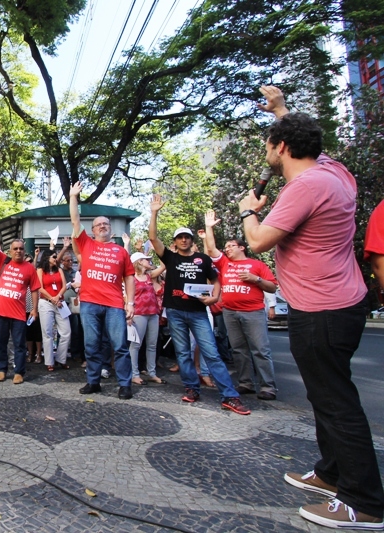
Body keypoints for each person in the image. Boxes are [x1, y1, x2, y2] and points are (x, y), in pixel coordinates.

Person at [240, 85, 383, 528]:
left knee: (336, 403)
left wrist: (249, 210)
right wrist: (281, 110)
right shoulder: (335, 172)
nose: (267, 151)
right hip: (342, 302)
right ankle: (330, 473)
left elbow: (258, 240)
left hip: (321, 309)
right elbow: (307, 140)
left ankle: (365, 502)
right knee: (327, 398)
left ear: (281, 148)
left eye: (269, 144)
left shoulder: (306, 186)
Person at [149, 195, 250, 415]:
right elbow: (153, 237)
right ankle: (192, 388)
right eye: (180, 238)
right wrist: (154, 212)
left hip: (198, 312)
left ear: (192, 240)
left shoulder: (203, 259)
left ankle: (230, 396)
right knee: (183, 354)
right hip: (175, 312)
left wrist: (214, 297)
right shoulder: (170, 258)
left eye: (187, 237)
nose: (184, 240)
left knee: (211, 353)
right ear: (175, 242)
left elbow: (216, 280)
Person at [68, 182, 135, 398]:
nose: (103, 226)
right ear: (93, 230)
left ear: (111, 229)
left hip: (114, 304)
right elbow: (75, 220)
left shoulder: (121, 251)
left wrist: (130, 302)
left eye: (106, 224)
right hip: (89, 303)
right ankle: (93, 381)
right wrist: (73, 197)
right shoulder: (86, 244)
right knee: (91, 345)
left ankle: (125, 384)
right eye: (98, 224)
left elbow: (129, 277)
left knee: (120, 346)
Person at [201, 211, 278, 400]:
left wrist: (255, 279)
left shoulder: (257, 265)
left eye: (231, 246)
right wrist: (209, 228)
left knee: (260, 349)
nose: (227, 249)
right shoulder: (225, 264)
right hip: (230, 312)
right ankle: (246, 383)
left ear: (242, 247)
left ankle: (268, 387)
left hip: (253, 312)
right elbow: (211, 250)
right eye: (226, 246)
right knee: (238, 349)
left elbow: (272, 287)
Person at [0, 214, 40, 384]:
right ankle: (1, 369)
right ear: (10, 251)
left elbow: (35, 289)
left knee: (19, 344)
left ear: (24, 250)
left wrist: (34, 309)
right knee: (1, 342)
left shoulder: (29, 268)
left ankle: (19, 372)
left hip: (19, 313)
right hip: (1, 311)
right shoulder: (3, 261)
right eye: (15, 249)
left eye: (21, 248)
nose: (18, 251)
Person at [127, 252, 166, 385]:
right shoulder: (131, 278)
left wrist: (160, 251)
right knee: (136, 345)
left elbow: (163, 266)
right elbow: (126, 297)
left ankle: (152, 373)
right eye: (146, 260)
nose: (149, 261)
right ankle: (134, 373)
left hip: (153, 313)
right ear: (139, 262)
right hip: (139, 313)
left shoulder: (149, 276)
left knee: (152, 344)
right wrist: (128, 315)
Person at [36, 246, 71, 372]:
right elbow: (39, 287)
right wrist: (52, 298)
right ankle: (49, 362)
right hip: (46, 302)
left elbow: (64, 285)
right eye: (54, 257)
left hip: (60, 302)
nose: (56, 259)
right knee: (48, 333)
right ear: (47, 258)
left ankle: (61, 359)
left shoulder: (59, 270)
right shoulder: (40, 270)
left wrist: (57, 297)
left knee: (66, 332)